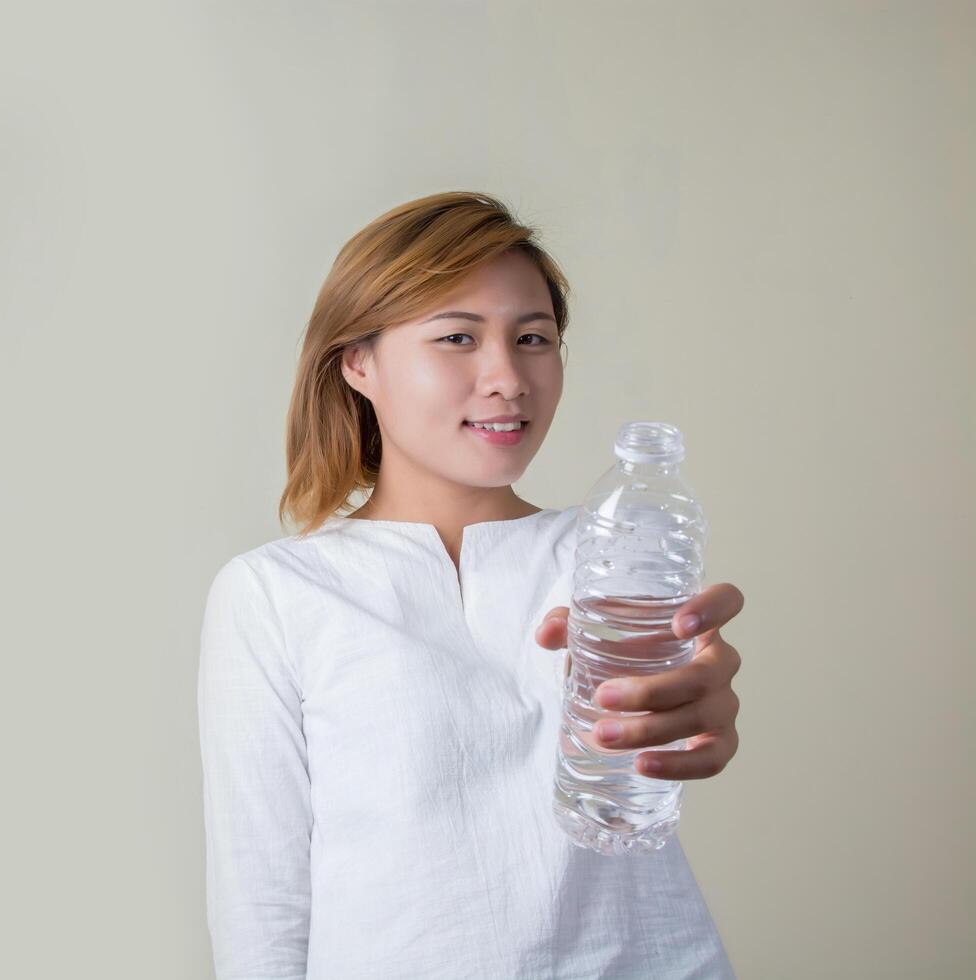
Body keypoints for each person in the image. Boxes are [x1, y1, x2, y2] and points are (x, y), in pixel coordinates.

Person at [196, 191, 745, 979]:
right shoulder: (279, 593)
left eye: (534, 338)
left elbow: (685, 706)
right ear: (358, 361)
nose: (508, 378)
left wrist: (704, 711)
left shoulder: (609, 553)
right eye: (458, 337)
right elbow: (262, 904)